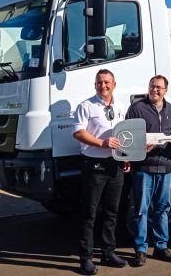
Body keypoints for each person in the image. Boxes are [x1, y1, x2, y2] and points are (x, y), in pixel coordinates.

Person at [73, 69, 130, 275]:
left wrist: (126, 156)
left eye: (106, 82)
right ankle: (86, 258)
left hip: (115, 164)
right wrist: (102, 143)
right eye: (99, 83)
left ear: (114, 84)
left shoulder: (121, 106)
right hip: (94, 165)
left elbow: (124, 134)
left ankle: (108, 252)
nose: (103, 86)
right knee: (89, 213)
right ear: (95, 85)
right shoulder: (86, 106)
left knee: (112, 212)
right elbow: (78, 132)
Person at [126, 75, 171, 266]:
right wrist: (138, 148)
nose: (154, 90)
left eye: (158, 87)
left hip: (166, 166)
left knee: (163, 209)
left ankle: (161, 246)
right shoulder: (137, 108)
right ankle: (141, 250)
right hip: (144, 167)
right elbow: (127, 135)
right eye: (152, 86)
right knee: (141, 209)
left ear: (165, 90)